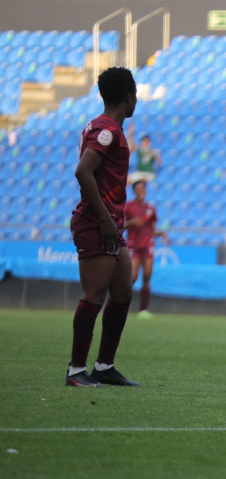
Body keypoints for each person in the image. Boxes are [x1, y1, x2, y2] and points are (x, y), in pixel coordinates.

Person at [67, 67, 140, 388]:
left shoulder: (105, 127)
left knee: (123, 290)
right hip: (97, 223)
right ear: (129, 98)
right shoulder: (107, 130)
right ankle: (75, 371)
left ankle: (104, 366)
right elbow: (83, 172)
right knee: (94, 295)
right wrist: (107, 221)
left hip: (110, 225)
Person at [124, 180, 169, 319]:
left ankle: (143, 310)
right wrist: (131, 223)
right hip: (133, 245)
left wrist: (161, 234)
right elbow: (120, 226)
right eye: (138, 189)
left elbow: (152, 230)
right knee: (132, 277)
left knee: (147, 276)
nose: (142, 191)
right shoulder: (128, 207)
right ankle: (121, 305)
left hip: (147, 244)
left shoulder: (151, 209)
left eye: (143, 188)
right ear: (134, 191)